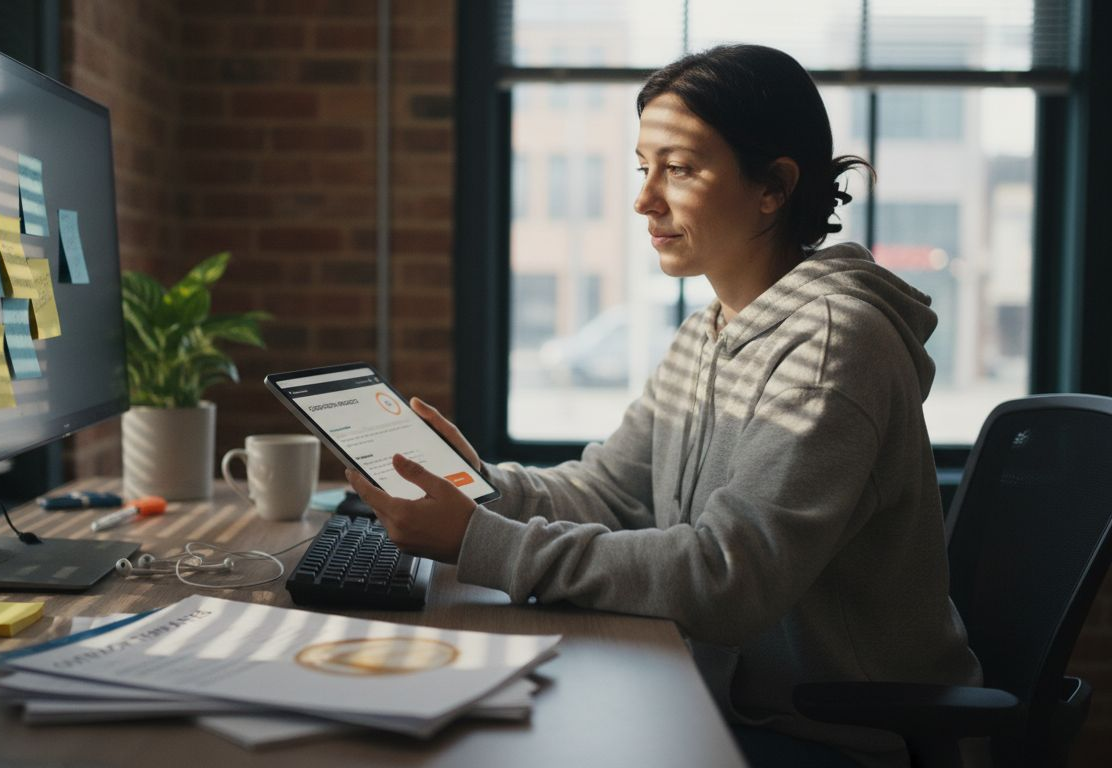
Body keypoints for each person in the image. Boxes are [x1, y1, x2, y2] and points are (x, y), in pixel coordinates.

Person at [346, 44, 981, 767]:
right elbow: (610, 491)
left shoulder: (835, 346)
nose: (645, 199)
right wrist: (481, 487)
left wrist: (479, 541)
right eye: (643, 167)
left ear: (773, 187)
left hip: (832, 736)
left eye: (678, 168)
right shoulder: (708, 334)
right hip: (722, 698)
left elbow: (726, 578)